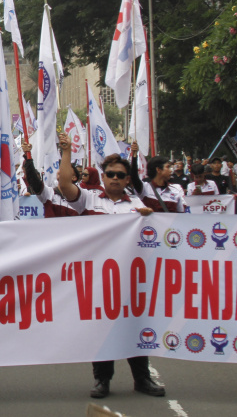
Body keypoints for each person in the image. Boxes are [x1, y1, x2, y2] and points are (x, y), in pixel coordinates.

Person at [56, 148, 165, 399]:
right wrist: (65, 151)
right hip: (99, 279)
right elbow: (63, 183)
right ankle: (102, 380)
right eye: (110, 174)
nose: (115, 178)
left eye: (120, 175)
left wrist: (148, 220)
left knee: (134, 327)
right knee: (102, 329)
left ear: (128, 180)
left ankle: (142, 378)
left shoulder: (138, 206)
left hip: (130, 280)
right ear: (103, 177)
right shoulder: (89, 199)